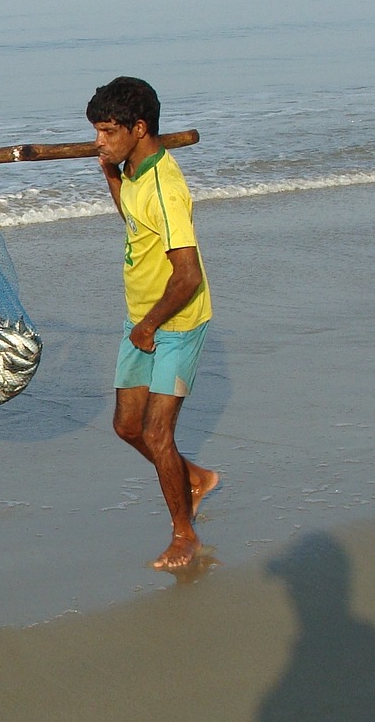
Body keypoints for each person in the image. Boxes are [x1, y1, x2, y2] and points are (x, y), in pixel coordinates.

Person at [88, 76, 220, 569]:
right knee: (127, 426)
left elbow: (188, 276)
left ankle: (184, 534)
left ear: (137, 128)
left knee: (158, 432)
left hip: (177, 321)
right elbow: (134, 219)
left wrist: (149, 327)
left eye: (106, 131)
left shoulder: (167, 187)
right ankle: (195, 478)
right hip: (140, 318)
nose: (99, 141)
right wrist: (109, 172)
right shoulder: (135, 171)